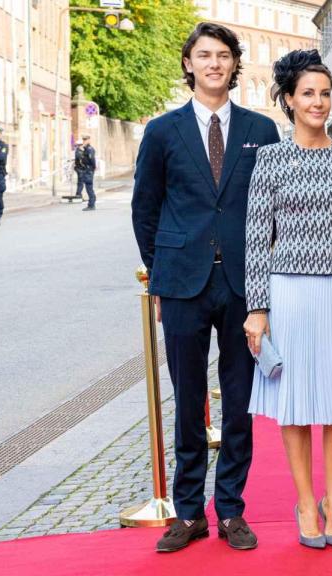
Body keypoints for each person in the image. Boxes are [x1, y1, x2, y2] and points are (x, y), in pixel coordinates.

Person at [131, 22, 280, 553]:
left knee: (239, 403)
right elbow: (144, 209)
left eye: (223, 55)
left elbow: (272, 213)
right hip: (183, 284)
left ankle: (232, 511)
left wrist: (265, 284)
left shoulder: (261, 131)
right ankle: (188, 512)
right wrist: (164, 269)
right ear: (189, 64)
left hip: (243, 284)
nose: (215, 64)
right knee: (189, 400)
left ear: (234, 65)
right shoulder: (163, 132)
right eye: (204, 55)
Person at [244, 49, 332, 550]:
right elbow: (256, 237)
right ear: (289, 100)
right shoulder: (270, 158)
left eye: (324, 93)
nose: (318, 102)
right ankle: (304, 501)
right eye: (307, 94)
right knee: (295, 404)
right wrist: (257, 309)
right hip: (289, 292)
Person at [74, 135, 98, 211]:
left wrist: (93, 168)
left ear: (89, 140)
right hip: (87, 170)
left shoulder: (89, 149)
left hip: (88, 170)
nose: (84, 141)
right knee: (88, 187)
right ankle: (91, 203)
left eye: (85, 140)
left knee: (89, 187)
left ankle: (91, 204)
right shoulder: (86, 149)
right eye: (83, 140)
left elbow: (91, 160)